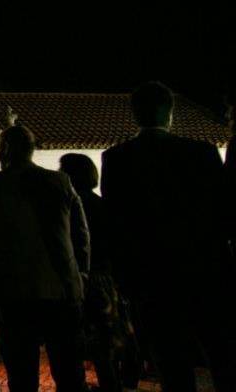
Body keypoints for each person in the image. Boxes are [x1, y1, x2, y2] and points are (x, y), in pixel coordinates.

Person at [101, 82, 235, 392]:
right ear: (170, 113)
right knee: (221, 358)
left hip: (151, 279)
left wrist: (125, 279)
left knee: (171, 364)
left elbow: (115, 225)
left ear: (135, 114)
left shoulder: (117, 159)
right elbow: (224, 213)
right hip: (205, 272)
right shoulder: (202, 153)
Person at [0, 125, 89, 392]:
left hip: (14, 293)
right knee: (70, 373)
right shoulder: (60, 181)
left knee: (22, 375)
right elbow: (81, 235)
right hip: (61, 288)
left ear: (3, 151)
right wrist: (80, 273)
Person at [60, 153, 139, 392]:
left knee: (73, 346)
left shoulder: (67, 209)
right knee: (105, 347)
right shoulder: (103, 206)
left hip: (78, 281)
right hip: (104, 280)